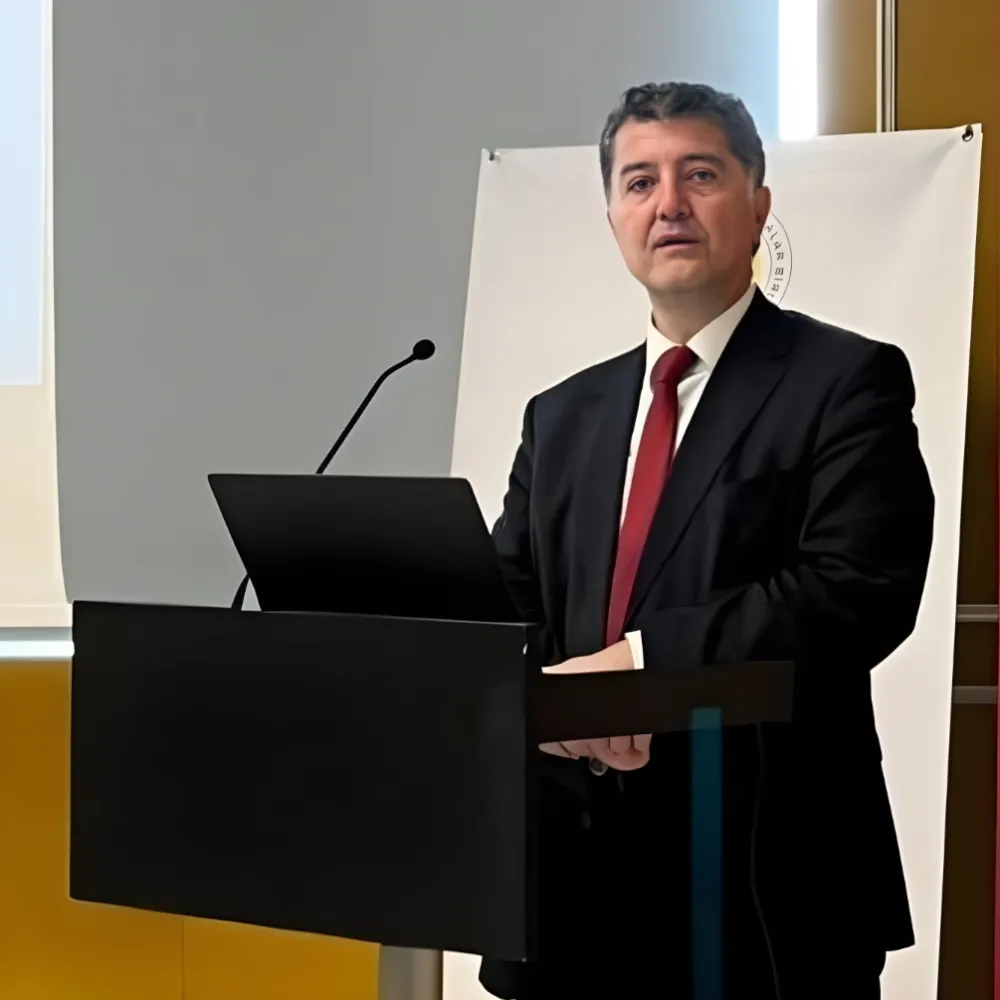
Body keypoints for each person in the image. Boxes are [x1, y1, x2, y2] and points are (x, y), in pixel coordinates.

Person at [479, 82, 934, 1000]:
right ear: (612, 218)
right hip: (570, 890)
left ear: (758, 205)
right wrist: (519, 694)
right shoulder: (562, 414)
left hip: (764, 883)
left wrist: (640, 667)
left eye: (700, 175)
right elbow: (512, 600)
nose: (669, 204)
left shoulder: (847, 380)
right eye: (639, 182)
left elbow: (856, 590)